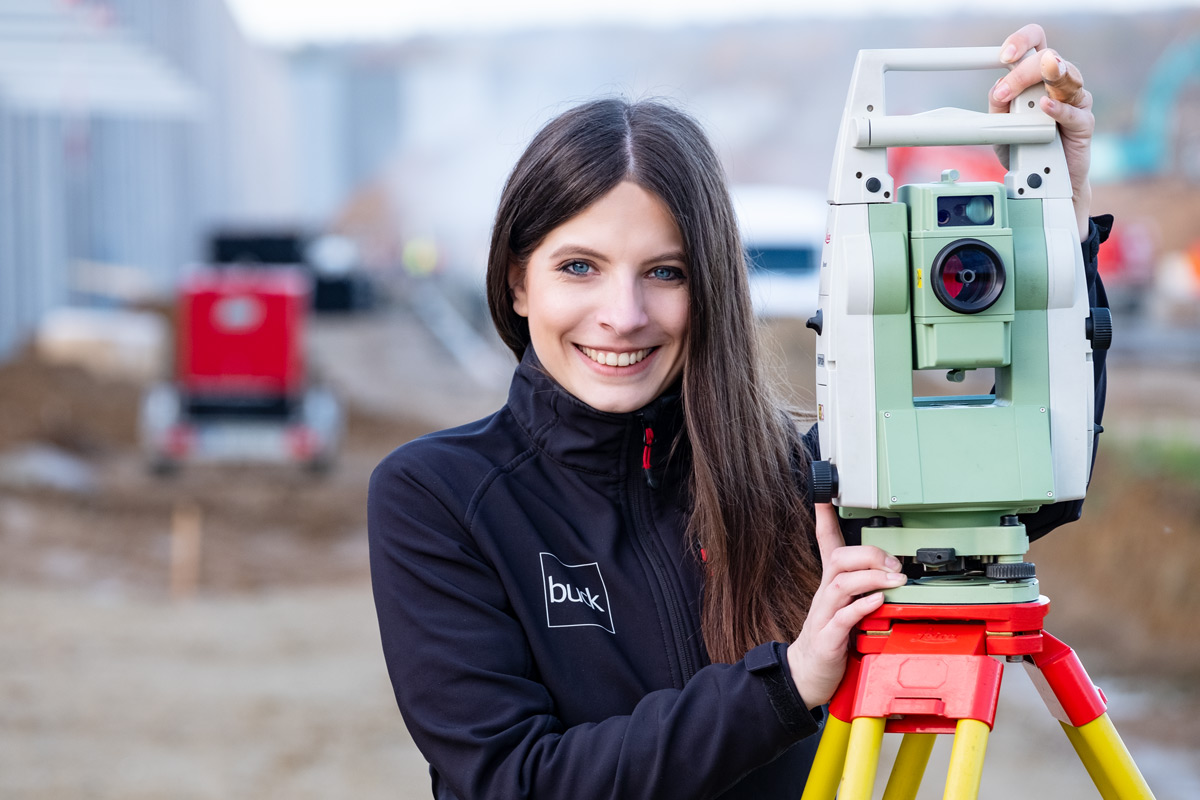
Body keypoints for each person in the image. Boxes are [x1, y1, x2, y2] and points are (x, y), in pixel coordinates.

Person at [369, 23, 1108, 799]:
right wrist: (784, 687)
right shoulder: (439, 496)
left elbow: (1033, 483)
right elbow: (514, 781)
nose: (623, 314)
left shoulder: (801, 484)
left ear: (711, 287)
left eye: (665, 272)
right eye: (579, 267)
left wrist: (1060, 212)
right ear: (519, 283)